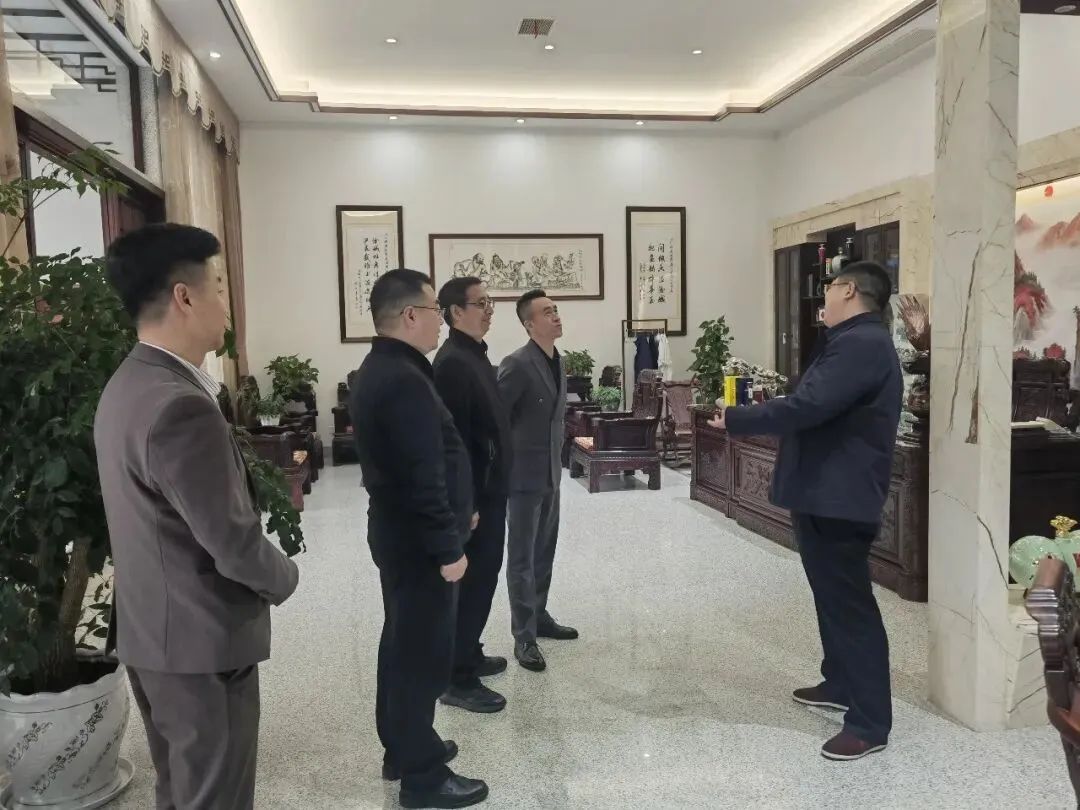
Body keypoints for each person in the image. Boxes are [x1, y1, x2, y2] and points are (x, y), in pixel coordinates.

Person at [94, 223, 300, 810]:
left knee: (183, 790)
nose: (226, 306)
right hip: (199, 644)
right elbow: (232, 543)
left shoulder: (128, 383)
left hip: (155, 634)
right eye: (218, 287)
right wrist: (285, 576)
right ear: (184, 297)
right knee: (214, 796)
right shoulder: (180, 405)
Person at [712, 260, 902, 762]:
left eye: (832, 287)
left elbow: (808, 406)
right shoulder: (851, 340)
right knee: (829, 597)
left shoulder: (862, 344)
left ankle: (869, 723)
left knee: (850, 605)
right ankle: (840, 681)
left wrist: (738, 417)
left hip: (840, 496)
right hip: (824, 492)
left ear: (851, 290)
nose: (825, 296)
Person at [348, 268, 488, 809]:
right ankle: (423, 777)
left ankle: (401, 748)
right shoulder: (403, 378)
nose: (439, 322)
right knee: (420, 657)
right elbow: (422, 475)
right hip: (418, 542)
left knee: (401, 644)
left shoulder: (384, 367)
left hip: (400, 534)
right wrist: (448, 548)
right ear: (410, 315)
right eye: (433, 310)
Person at [432, 277, 513, 714]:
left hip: (490, 490)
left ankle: (470, 652)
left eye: (489, 302)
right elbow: (455, 444)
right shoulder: (452, 364)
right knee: (472, 583)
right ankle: (456, 677)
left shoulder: (474, 355)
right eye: (480, 303)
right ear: (454, 312)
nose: (488, 310)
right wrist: (467, 505)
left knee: (484, 579)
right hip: (476, 500)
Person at [498, 289, 578, 673]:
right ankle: (524, 636)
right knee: (522, 557)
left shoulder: (557, 361)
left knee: (545, 549)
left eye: (556, 309)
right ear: (529, 324)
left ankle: (540, 615)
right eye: (547, 312)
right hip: (522, 477)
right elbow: (496, 421)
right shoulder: (516, 364)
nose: (556, 316)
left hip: (551, 473)